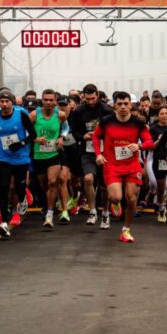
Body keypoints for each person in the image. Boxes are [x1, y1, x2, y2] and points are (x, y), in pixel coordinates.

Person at [93, 91, 153, 242]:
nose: (123, 107)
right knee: (116, 197)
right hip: (112, 165)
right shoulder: (106, 121)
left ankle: (126, 230)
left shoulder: (138, 123)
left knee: (131, 198)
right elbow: (96, 136)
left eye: (126, 104)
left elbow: (149, 141)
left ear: (131, 105)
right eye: (119, 104)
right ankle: (115, 203)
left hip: (131, 165)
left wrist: (139, 146)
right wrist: (98, 154)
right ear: (114, 106)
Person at [0, 90, 37, 239]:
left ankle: (23, 198)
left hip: (21, 158)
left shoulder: (21, 115)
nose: (5, 104)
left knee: (19, 188)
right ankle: (5, 223)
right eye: (2, 101)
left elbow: (33, 135)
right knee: (4, 187)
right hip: (4, 158)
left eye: (7, 101)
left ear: (12, 102)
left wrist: (20, 143)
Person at [70, 83, 113, 227]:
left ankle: (105, 213)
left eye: (93, 98)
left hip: (104, 152)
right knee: (88, 179)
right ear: (83, 97)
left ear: (98, 95)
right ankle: (93, 211)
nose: (90, 102)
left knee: (104, 185)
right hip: (87, 151)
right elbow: (74, 131)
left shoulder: (107, 110)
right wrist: (83, 136)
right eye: (87, 99)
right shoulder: (79, 111)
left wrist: (101, 136)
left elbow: (113, 130)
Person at [29, 89, 69, 229]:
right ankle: (53, 203)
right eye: (45, 100)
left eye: (51, 100)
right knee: (45, 185)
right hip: (38, 155)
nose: (48, 102)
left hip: (54, 153)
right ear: (42, 100)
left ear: (55, 101)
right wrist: (35, 138)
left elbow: (66, 128)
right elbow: (26, 130)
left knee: (53, 182)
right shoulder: (34, 115)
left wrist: (61, 137)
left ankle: (50, 214)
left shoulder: (60, 115)